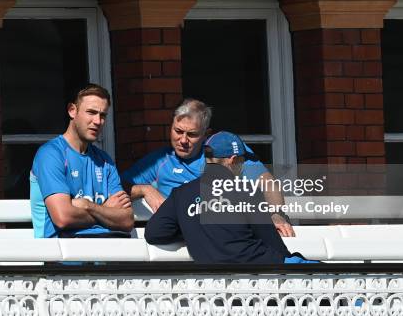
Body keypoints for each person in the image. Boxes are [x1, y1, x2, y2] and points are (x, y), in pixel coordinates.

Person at [121, 98, 295, 237]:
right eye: (178, 131)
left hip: (232, 235)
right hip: (182, 242)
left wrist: (276, 214)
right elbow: (116, 188)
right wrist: (145, 190)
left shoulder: (225, 151)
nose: (183, 140)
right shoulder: (159, 161)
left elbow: (266, 182)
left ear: (206, 134)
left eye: (192, 134)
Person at [145, 131, 315, 264]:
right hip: (259, 276)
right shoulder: (246, 191)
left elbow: (154, 233)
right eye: (241, 161)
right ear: (232, 160)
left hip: (219, 289)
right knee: (335, 274)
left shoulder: (181, 193)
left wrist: (192, 230)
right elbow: (275, 247)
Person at [30, 84, 134, 238]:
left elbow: (126, 221)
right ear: (72, 110)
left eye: (103, 115)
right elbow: (63, 218)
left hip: (106, 253)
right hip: (64, 255)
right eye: (91, 112)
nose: (98, 121)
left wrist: (88, 206)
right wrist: (105, 210)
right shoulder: (51, 154)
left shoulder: (105, 161)